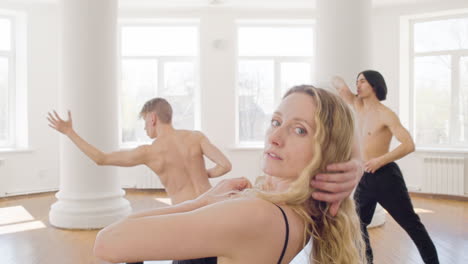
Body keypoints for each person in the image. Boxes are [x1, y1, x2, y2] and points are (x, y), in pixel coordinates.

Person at [93, 86, 367, 264]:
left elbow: (107, 241)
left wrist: (206, 201)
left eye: (299, 130)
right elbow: (223, 165)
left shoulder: (255, 214)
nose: (274, 137)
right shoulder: (306, 209)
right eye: (276, 121)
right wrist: (355, 158)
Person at [332, 70, 439, 264]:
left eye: (362, 81)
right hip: (365, 177)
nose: (358, 85)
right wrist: (337, 76)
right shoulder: (357, 105)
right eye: (357, 81)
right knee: (357, 225)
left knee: (412, 225)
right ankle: (367, 261)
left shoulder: (386, 114)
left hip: (386, 177)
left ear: (374, 85)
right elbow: (339, 85)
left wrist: (380, 160)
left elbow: (408, 144)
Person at [47, 97, 232, 205]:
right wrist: (204, 173)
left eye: (144, 121)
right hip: (211, 205)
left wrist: (69, 132)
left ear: (152, 118)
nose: (144, 128)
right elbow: (225, 166)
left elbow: (100, 158)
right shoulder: (196, 137)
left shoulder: (149, 152)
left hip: (185, 212)